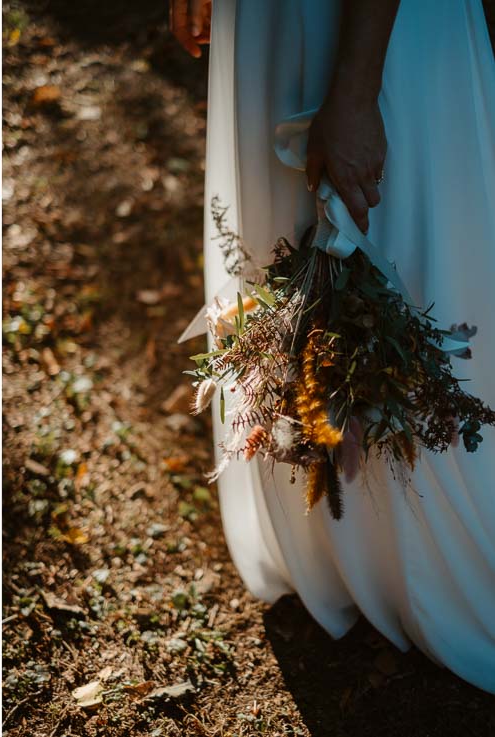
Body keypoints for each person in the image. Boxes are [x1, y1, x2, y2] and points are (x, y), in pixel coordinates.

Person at [176, 0, 495, 692]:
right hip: (264, 20)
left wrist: (355, 88)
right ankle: (334, 545)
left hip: (370, 29)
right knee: (282, 245)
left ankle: (425, 556)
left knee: (406, 245)